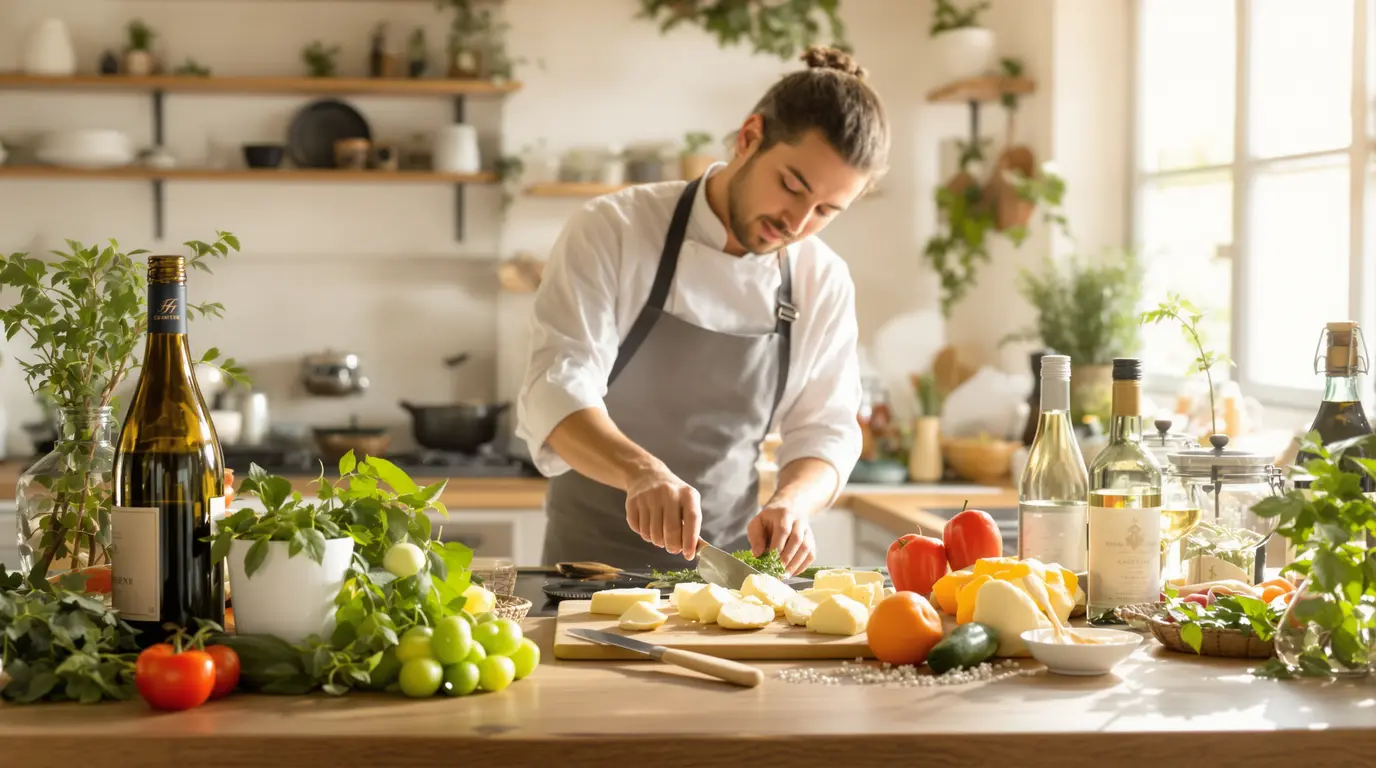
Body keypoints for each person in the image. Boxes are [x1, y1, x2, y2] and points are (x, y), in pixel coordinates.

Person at [515, 45, 890, 576]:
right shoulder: (615, 230)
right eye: (791, 185)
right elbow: (555, 387)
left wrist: (793, 502)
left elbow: (826, 427)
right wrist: (641, 472)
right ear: (750, 137)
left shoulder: (820, 279)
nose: (797, 222)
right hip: (587, 577)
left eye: (826, 210)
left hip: (726, 579)